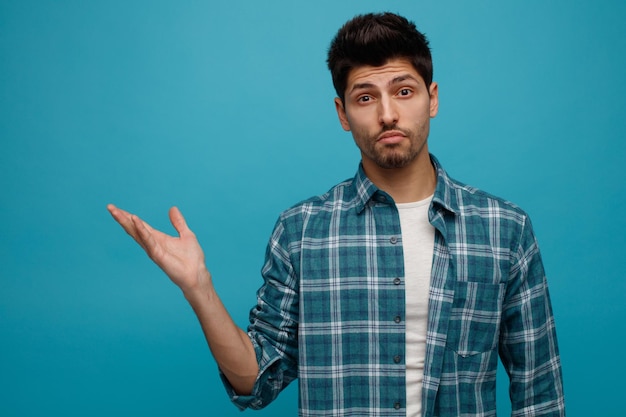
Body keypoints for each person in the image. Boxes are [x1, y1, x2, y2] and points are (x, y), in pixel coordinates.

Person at [107, 12, 565, 417]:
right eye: (365, 98)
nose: (388, 114)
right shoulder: (301, 231)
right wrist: (199, 289)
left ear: (433, 97)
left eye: (403, 91)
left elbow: (540, 396)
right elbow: (255, 384)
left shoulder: (505, 229)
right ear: (343, 113)